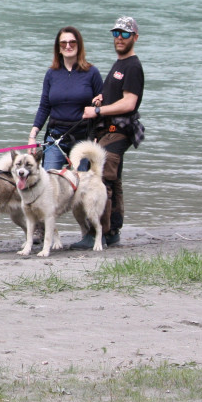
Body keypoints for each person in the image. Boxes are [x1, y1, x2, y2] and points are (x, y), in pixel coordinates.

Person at [72, 16, 144, 250]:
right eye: (116, 33)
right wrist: (102, 98)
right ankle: (112, 232)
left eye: (125, 34)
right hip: (108, 131)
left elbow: (129, 103)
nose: (119, 38)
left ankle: (97, 235)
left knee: (102, 182)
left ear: (135, 37)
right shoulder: (120, 64)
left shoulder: (133, 66)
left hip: (119, 131)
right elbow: (117, 96)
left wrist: (97, 110)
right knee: (114, 181)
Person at [28, 26, 103, 171]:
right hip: (56, 137)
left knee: (81, 182)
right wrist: (33, 136)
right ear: (58, 48)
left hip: (83, 139)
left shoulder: (92, 72)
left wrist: (98, 136)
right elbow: (44, 106)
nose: (68, 46)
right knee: (49, 179)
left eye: (72, 42)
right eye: (63, 43)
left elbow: (102, 106)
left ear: (79, 45)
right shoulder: (51, 74)